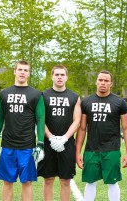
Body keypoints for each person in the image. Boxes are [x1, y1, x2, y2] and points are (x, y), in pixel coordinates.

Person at [0, 60, 45, 201]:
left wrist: (40, 143)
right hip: (8, 144)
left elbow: (40, 119)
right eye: (20, 69)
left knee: (27, 182)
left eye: (25, 70)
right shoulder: (4, 93)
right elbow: (0, 118)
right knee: (7, 182)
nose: (22, 72)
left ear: (29, 73)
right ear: (15, 71)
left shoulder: (36, 94)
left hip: (27, 146)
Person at [75, 70, 127, 201]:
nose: (103, 83)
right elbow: (82, 128)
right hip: (91, 150)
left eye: (106, 81)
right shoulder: (86, 102)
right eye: (100, 80)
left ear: (111, 83)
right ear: (96, 82)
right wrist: (77, 152)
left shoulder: (120, 102)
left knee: (113, 183)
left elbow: (126, 128)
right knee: (90, 183)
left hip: (111, 149)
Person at [37, 64, 81, 201]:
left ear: (66, 77)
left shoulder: (74, 97)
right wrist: (50, 137)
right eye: (57, 74)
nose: (59, 77)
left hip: (67, 144)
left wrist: (64, 138)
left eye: (62, 74)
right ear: (52, 76)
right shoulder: (43, 95)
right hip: (48, 142)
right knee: (48, 179)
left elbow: (77, 120)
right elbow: (40, 119)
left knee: (65, 180)